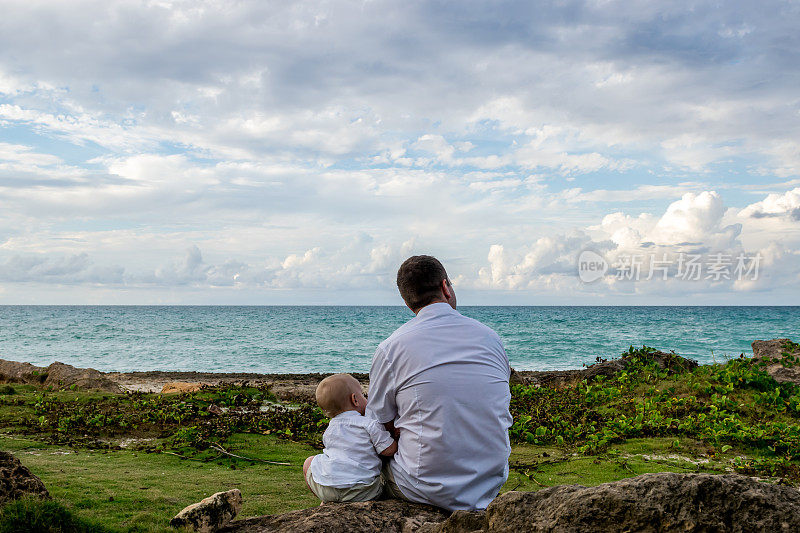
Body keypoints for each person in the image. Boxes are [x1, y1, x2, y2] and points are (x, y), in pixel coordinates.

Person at [366, 255, 512, 511]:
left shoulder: (391, 348)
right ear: (445, 287)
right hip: (489, 481)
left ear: (407, 301)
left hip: (422, 486)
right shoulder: (491, 338)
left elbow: (378, 421)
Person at [302, 373, 398, 503]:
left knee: (309, 462)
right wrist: (396, 438)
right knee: (382, 477)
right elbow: (388, 450)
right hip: (362, 491)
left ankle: (328, 500)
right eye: (363, 395)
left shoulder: (331, 428)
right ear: (355, 400)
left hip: (328, 489)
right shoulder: (369, 424)